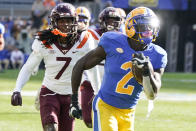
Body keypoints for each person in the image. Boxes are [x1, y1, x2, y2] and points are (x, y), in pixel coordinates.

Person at [69, 6, 167, 131]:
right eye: (143, 26)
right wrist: (74, 100)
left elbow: (152, 95)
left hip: (129, 112)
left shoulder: (158, 54)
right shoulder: (113, 41)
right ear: (131, 27)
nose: (148, 30)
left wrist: (147, 72)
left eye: (150, 26)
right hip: (106, 106)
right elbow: (80, 65)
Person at [11, 3, 95, 131]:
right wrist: (17, 89)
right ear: (54, 22)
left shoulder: (84, 40)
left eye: (69, 21)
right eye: (62, 21)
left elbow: (94, 67)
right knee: (51, 128)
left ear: (75, 22)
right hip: (50, 92)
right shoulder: (44, 41)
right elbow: (28, 67)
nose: (65, 25)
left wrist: (97, 90)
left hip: (71, 95)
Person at [76, 6, 123, 128]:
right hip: (90, 82)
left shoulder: (122, 38)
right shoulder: (91, 33)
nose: (112, 23)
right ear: (102, 20)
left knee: (107, 119)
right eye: (109, 20)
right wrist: (78, 31)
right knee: (88, 120)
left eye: (115, 20)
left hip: (111, 84)